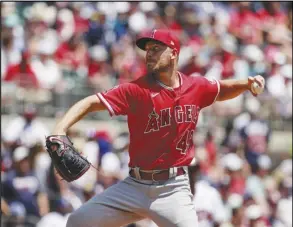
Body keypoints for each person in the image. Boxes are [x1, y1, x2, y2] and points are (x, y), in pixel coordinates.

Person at [51, 29, 265, 227]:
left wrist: (245, 84)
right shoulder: (135, 90)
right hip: (134, 186)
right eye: (147, 51)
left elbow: (220, 90)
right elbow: (90, 102)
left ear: (173, 53)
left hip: (173, 189)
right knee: (78, 221)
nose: (149, 55)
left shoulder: (195, 86)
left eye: (155, 49)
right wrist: (60, 128)